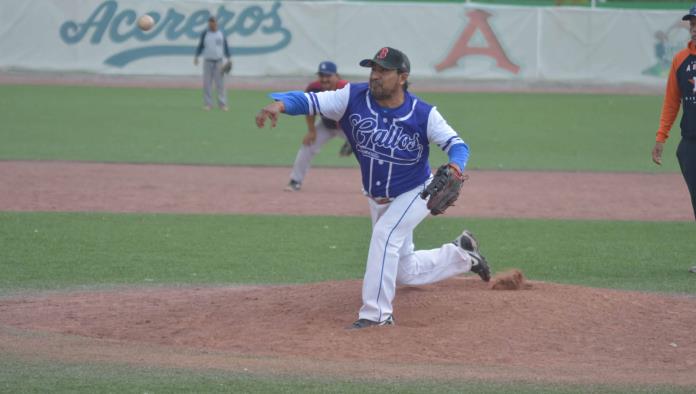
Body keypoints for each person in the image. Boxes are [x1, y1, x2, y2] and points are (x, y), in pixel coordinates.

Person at [256, 47, 492, 329]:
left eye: (383, 71)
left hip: (415, 191)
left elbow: (458, 145)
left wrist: (455, 167)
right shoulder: (352, 97)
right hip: (376, 196)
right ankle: (463, 254)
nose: (375, 76)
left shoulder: (423, 113)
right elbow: (309, 101)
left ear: (402, 77)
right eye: (373, 70)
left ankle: (376, 314)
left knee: (384, 236)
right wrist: (279, 104)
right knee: (405, 271)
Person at [652, 5, 696, 273]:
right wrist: (661, 137)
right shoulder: (681, 60)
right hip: (690, 144)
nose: (693, 27)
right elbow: (672, 101)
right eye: (691, 23)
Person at [285, 61, 350, 192]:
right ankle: (295, 181)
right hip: (326, 125)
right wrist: (311, 131)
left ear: (336, 75)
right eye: (321, 75)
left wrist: (354, 137)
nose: (324, 79)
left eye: (328, 75)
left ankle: (376, 186)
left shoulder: (346, 88)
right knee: (308, 145)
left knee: (368, 151)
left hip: (347, 127)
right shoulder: (313, 88)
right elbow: (309, 109)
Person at [194, 16, 231, 111]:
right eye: (210, 23)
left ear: (216, 23)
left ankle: (222, 104)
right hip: (208, 61)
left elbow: (226, 47)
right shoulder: (205, 33)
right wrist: (196, 56)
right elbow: (201, 45)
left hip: (219, 61)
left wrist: (229, 58)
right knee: (207, 84)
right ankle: (208, 104)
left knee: (220, 84)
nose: (212, 24)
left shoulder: (221, 34)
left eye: (213, 22)